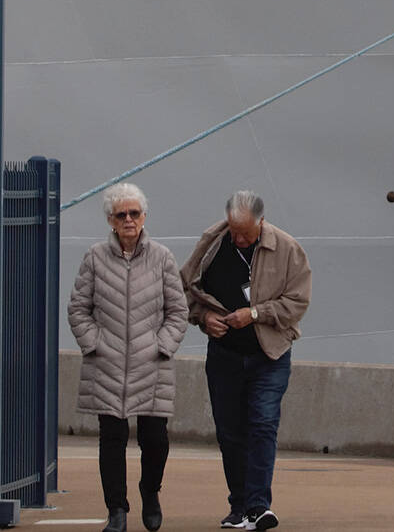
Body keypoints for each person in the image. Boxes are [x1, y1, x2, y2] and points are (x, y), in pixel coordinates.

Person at [181, 191, 312, 532]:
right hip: (224, 356)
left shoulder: (287, 249)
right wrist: (203, 316)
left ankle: (258, 506)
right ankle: (238, 505)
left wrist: (255, 313)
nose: (238, 239)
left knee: (263, 424)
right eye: (234, 231)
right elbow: (183, 290)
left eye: (246, 234)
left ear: (261, 223)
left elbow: (297, 303)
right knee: (230, 432)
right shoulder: (212, 244)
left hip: (269, 355)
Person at [67, 182, 188, 532]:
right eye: (121, 215)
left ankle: (150, 492)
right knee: (112, 439)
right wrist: (95, 343)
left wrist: (161, 346)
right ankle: (116, 510)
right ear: (111, 221)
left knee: (155, 439)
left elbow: (177, 311)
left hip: (151, 365)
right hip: (107, 365)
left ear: (144, 216)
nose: (129, 220)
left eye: (134, 213)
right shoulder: (94, 257)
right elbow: (78, 309)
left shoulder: (162, 257)